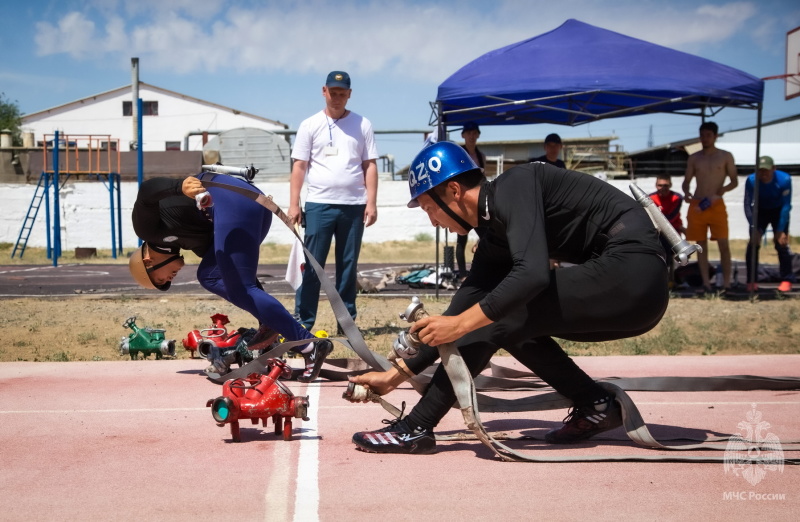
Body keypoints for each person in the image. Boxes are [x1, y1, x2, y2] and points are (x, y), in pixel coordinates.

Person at [349, 141, 668, 454]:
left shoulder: (516, 184)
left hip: (635, 275)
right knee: (500, 315)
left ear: (454, 191)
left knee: (495, 315)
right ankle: (595, 405)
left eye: (430, 208)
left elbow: (531, 276)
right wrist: (395, 376)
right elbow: (461, 307)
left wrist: (461, 325)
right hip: (627, 287)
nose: (433, 222)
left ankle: (416, 427)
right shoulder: (494, 231)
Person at [129, 173, 332, 382]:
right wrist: (268, 318)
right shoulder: (189, 241)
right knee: (212, 275)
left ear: (147, 262)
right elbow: (240, 277)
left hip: (232, 198)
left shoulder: (146, 230)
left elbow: (146, 191)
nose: (170, 279)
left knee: (233, 285)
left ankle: (309, 345)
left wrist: (178, 185)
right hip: (252, 207)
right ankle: (271, 322)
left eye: (161, 280)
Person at [288, 71, 379, 333]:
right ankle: (303, 323)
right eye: (333, 92)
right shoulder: (309, 125)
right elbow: (299, 166)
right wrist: (294, 204)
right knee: (313, 266)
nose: (337, 97)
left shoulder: (363, 125)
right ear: (324, 91)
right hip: (319, 205)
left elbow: (369, 165)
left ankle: (346, 323)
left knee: (348, 267)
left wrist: (371, 202)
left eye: (342, 93)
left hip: (353, 206)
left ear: (349, 94)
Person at [681, 121, 738, 294]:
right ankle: (706, 283)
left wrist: (723, 190)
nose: (704, 139)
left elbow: (734, 180)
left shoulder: (725, 156)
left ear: (715, 136)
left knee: (723, 244)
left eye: (708, 135)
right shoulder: (694, 157)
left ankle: (726, 285)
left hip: (716, 203)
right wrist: (686, 192)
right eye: (702, 135)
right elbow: (686, 181)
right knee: (700, 245)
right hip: (698, 204)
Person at [744, 156, 794, 293]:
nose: (763, 174)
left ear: (774, 169)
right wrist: (754, 227)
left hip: (779, 211)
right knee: (753, 243)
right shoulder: (751, 181)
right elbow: (748, 205)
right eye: (760, 170)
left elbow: (786, 205)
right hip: (760, 211)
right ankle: (751, 280)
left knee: (781, 243)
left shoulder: (784, 180)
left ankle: (787, 279)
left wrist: (780, 229)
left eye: (766, 170)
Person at [455, 121, 486, 279]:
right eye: (469, 133)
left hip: (477, 201)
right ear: (463, 135)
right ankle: (462, 275)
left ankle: (483, 270)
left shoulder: (481, 156)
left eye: (474, 133)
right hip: (463, 202)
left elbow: (483, 178)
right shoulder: (460, 153)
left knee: (486, 235)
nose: (472, 136)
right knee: (462, 238)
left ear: (478, 135)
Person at [649, 174, 684, 283]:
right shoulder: (650, 198)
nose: (663, 188)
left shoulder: (677, 198)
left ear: (670, 185)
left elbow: (671, 217)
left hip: (672, 230)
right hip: (658, 231)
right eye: (660, 185)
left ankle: (670, 280)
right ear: (656, 185)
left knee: (669, 255)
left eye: (666, 185)